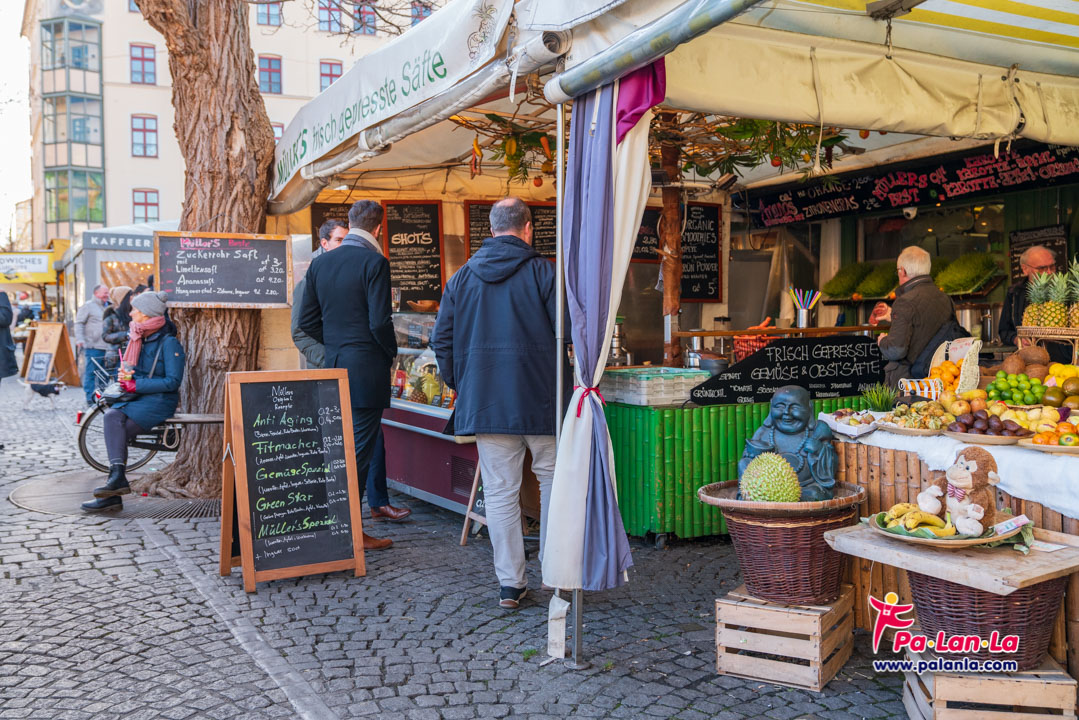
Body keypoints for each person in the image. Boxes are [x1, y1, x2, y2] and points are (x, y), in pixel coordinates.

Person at [431, 197, 560, 610]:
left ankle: (511, 584)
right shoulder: (545, 272)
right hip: (543, 400)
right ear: (527, 230)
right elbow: (568, 333)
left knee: (501, 494)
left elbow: (441, 341)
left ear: (491, 230)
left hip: (486, 403)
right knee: (554, 487)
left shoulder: (462, 277)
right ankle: (559, 578)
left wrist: (464, 383)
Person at [292, 219, 411, 524]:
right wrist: (378, 351)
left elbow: (308, 322)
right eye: (339, 238)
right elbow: (377, 323)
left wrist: (338, 348)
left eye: (347, 237)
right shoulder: (371, 263)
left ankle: (372, 506)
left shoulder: (323, 268)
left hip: (340, 368)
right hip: (354, 369)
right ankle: (348, 528)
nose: (345, 243)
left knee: (361, 445)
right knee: (354, 452)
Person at [81, 291, 185, 512]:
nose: (130, 313)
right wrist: (127, 375)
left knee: (116, 429)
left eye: (134, 309)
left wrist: (135, 385)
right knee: (111, 417)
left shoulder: (168, 343)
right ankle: (116, 483)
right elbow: (140, 373)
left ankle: (114, 489)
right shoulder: (139, 337)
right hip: (138, 397)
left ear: (147, 314)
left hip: (159, 401)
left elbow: (172, 382)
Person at [877, 246, 960, 387]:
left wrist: (883, 341)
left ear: (902, 271)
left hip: (909, 382)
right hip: (939, 378)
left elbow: (896, 349)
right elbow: (925, 324)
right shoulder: (945, 298)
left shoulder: (904, 301)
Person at [999, 245, 1071, 362]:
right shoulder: (1014, 293)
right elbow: (1004, 331)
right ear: (1025, 269)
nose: (1049, 273)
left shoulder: (1067, 292)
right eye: (1042, 268)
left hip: (1064, 363)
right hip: (1029, 362)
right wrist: (1017, 339)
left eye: (1052, 266)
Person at [75, 284, 111, 405]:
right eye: (104, 292)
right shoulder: (88, 306)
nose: (107, 295)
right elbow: (79, 323)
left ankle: (102, 396)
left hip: (108, 346)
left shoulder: (110, 306)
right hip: (93, 346)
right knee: (91, 373)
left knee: (105, 374)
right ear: (96, 293)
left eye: (107, 292)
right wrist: (80, 339)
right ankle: (90, 398)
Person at [101, 285, 133, 377]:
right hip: (116, 357)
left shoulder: (133, 313)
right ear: (123, 298)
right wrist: (125, 335)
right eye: (130, 296)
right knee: (119, 382)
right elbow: (105, 336)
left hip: (130, 355)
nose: (132, 298)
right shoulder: (111, 315)